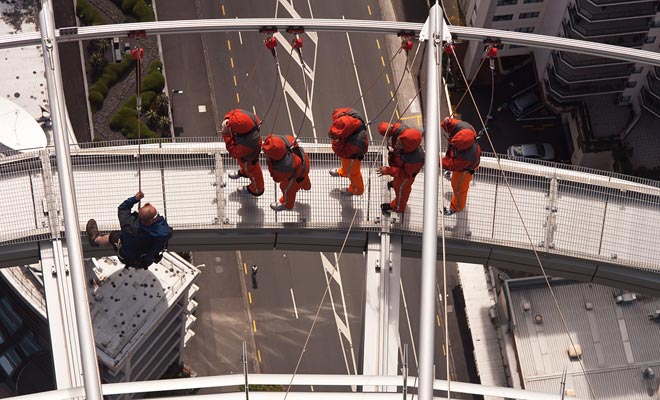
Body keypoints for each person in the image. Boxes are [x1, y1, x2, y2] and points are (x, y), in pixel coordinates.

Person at [86, 191, 173, 270]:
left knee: (113, 236)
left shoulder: (128, 223)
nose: (158, 217)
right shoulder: (162, 233)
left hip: (125, 257)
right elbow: (168, 231)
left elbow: (123, 208)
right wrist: (158, 219)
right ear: (152, 221)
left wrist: (135, 199)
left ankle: (95, 239)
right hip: (146, 262)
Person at [376, 122, 425, 214]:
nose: (397, 144)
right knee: (397, 183)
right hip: (399, 167)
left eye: (400, 144)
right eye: (398, 141)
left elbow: (404, 173)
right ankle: (395, 184)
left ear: (407, 147)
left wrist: (388, 170)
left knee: (402, 190)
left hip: (405, 177)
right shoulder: (403, 132)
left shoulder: (414, 159)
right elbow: (393, 128)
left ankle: (397, 207)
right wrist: (386, 128)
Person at [440, 116, 481, 216]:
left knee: (459, 189)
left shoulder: (466, 157)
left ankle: (456, 207)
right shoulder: (465, 129)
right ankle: (452, 175)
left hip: (465, 171)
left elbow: (451, 164)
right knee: (456, 178)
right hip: (464, 165)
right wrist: (447, 123)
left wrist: (434, 159)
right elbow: (453, 124)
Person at [220, 109, 264, 196]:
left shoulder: (248, 143)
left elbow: (233, 152)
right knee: (244, 166)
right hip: (245, 158)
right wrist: (228, 119)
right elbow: (233, 112)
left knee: (254, 174)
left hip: (249, 161)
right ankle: (244, 172)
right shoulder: (248, 119)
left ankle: (256, 189)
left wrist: (226, 134)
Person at [262, 134, 311, 211]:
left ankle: (287, 205)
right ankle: (307, 186)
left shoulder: (283, 167)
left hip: (296, 177)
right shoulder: (287, 139)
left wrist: (269, 161)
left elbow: (276, 178)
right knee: (305, 177)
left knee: (287, 190)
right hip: (304, 162)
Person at [327, 107, 369, 196]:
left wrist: (336, 141)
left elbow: (341, 152)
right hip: (348, 152)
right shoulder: (350, 119)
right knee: (346, 165)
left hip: (352, 158)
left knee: (353, 173)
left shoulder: (356, 144)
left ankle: (356, 190)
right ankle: (344, 172)